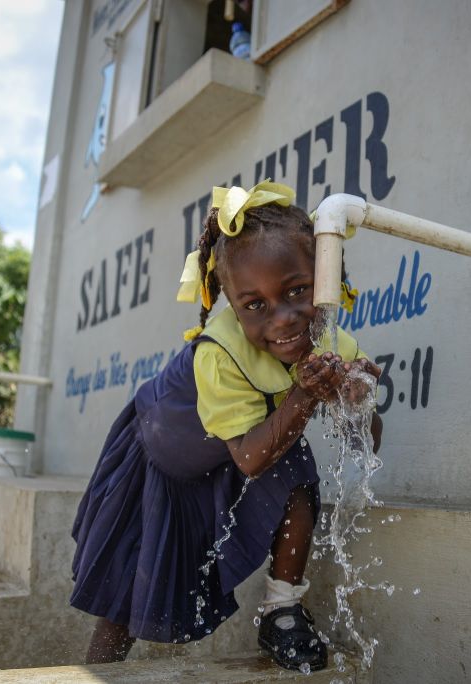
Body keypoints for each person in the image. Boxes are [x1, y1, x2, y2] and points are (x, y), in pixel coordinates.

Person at [69, 181, 383, 672]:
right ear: (232, 307)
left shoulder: (330, 343)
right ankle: (97, 674)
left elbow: (366, 441)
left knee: (296, 464)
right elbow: (251, 458)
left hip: (229, 457)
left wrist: (357, 402)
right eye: (255, 305)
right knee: (125, 599)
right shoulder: (220, 354)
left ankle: (282, 610)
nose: (282, 319)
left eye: (297, 291)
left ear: (325, 276)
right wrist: (305, 394)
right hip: (161, 464)